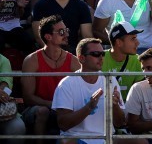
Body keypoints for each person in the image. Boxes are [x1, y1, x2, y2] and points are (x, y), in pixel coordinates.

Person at [52, 38, 126, 143]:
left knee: (139, 142)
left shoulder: (110, 80)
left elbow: (120, 123)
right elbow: (63, 125)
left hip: (105, 139)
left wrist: (115, 106)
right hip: (76, 139)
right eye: (96, 54)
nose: (101, 57)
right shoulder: (66, 84)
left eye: (102, 54)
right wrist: (89, 107)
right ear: (81, 58)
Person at [21, 15, 80, 144]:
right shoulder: (32, 60)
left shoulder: (74, 61)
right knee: (42, 111)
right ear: (48, 37)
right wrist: (55, 105)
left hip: (64, 109)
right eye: (61, 32)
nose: (66, 35)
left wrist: (63, 108)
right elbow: (28, 98)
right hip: (39, 109)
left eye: (66, 30)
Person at [102, 21, 144, 101]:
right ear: (119, 42)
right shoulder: (100, 59)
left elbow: (138, 94)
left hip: (129, 108)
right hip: (104, 107)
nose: (137, 43)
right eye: (133, 39)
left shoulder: (137, 60)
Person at [0, 53, 26, 144]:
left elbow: (6, 90)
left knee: (17, 127)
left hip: (3, 111)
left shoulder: (3, 60)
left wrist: (2, 92)